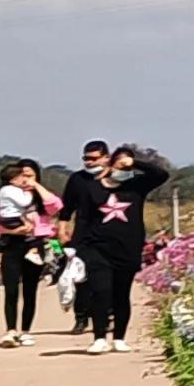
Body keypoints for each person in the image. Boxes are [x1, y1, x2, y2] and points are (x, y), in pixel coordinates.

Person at [75, 144, 157, 352]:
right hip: (97, 249)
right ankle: (99, 337)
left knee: (121, 294)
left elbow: (161, 174)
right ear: (110, 164)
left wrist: (134, 163)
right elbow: (83, 219)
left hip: (127, 249)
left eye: (126, 166)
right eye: (120, 164)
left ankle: (119, 337)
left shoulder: (136, 186)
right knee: (101, 291)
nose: (123, 169)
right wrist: (78, 248)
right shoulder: (92, 188)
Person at [0, 157, 60, 344]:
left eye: (29, 176)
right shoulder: (10, 197)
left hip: (35, 244)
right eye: (22, 176)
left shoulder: (37, 198)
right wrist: (13, 230)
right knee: (10, 289)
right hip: (12, 243)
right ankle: (11, 329)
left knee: (30, 289)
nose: (25, 180)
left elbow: (56, 206)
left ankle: (26, 330)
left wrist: (35, 186)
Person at [55, 139, 112, 334]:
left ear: (106, 158)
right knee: (81, 277)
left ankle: (106, 317)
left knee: (108, 279)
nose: (89, 162)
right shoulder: (78, 179)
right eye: (86, 158)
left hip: (110, 234)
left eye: (94, 158)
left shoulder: (115, 178)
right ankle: (81, 317)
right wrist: (62, 230)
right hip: (83, 235)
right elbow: (67, 208)